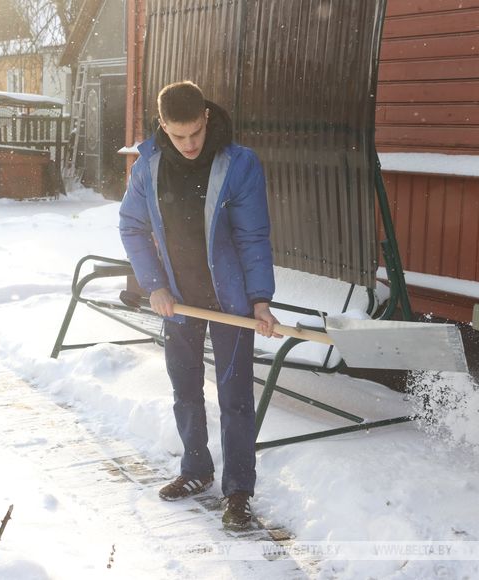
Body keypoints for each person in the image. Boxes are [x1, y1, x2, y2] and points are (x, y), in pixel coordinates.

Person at [119, 81, 280, 530]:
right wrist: (154, 285)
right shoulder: (148, 164)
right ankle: (195, 470)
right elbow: (132, 227)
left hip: (229, 302)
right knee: (185, 388)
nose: (189, 145)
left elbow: (252, 237)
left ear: (206, 118)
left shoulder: (239, 164)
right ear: (162, 126)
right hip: (178, 300)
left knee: (235, 399)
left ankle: (239, 492)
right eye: (178, 136)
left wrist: (260, 301)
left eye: (195, 133)